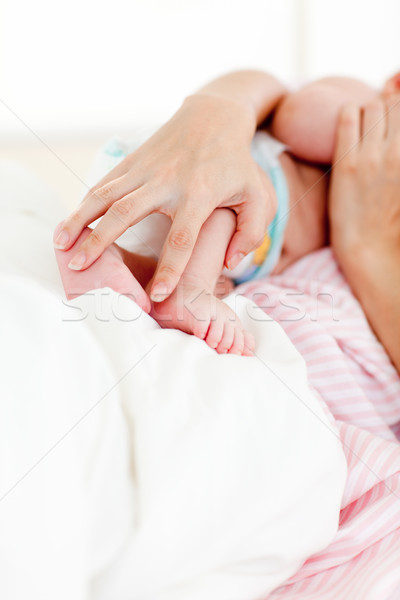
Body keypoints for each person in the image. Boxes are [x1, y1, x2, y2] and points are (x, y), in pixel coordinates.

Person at [54, 70, 399, 355]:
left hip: (216, 251)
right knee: (243, 199)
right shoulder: (363, 104)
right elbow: (296, 119)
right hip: (193, 175)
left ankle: (111, 260)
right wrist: (371, 123)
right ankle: (189, 291)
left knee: (181, 275)